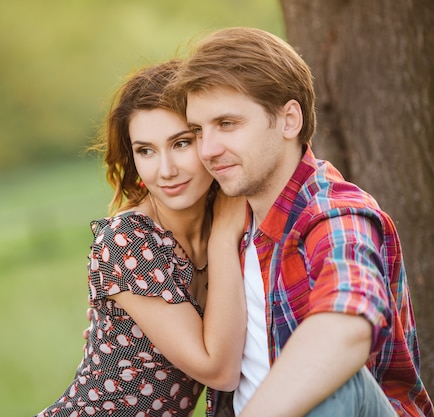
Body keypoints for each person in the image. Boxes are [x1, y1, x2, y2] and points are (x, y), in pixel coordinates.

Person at [169, 27, 433, 417]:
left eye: (227, 124)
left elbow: (348, 321)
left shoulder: (335, 213)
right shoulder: (229, 222)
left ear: (289, 120)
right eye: (197, 130)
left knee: (341, 379)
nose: (207, 150)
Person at [34, 60, 247, 417]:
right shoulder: (128, 240)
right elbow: (219, 370)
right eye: (146, 150)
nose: (165, 170)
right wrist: (224, 239)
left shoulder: (231, 214)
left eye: (181, 143)